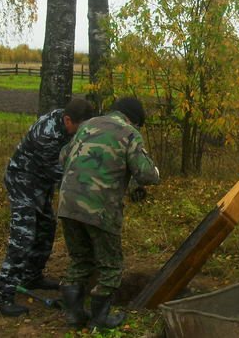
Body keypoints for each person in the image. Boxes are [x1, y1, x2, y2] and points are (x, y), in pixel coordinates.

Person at [57, 97, 160, 330]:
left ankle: (74, 315)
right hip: (100, 207)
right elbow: (145, 174)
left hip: (68, 203)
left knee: (80, 259)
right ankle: (100, 320)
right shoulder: (129, 132)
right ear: (132, 119)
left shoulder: (87, 125)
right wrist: (154, 170)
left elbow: (63, 157)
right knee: (110, 266)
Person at [0, 98, 95, 317]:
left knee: (47, 228)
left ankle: (32, 276)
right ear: (68, 120)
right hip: (23, 182)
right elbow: (61, 174)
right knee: (23, 238)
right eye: (80, 128)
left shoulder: (68, 121)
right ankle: (1, 298)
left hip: (40, 184)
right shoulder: (46, 135)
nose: (82, 133)